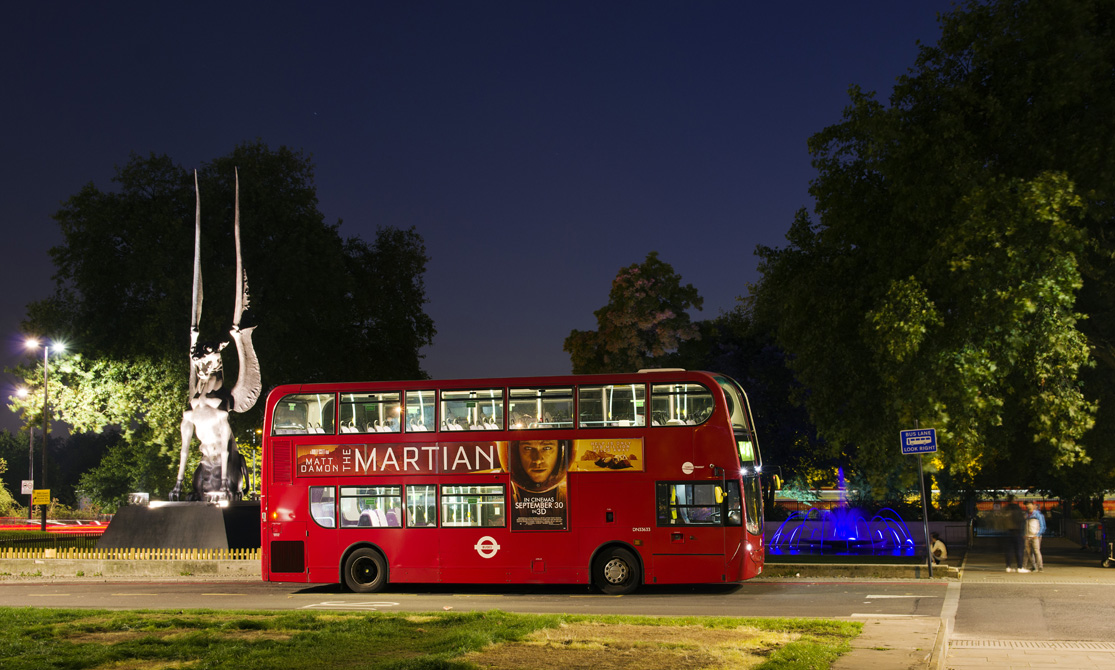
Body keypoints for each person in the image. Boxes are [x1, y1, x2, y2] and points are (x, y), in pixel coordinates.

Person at [1024, 501, 1046, 572]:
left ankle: (1040, 567)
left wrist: (1038, 535)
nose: (1028, 506)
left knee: (1036, 551)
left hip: (1035, 536)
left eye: (1029, 504)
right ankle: (1033, 566)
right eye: (1026, 505)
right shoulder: (1026, 514)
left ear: (1033, 505)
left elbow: (1043, 526)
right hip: (1028, 535)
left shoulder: (1038, 514)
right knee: (1029, 552)